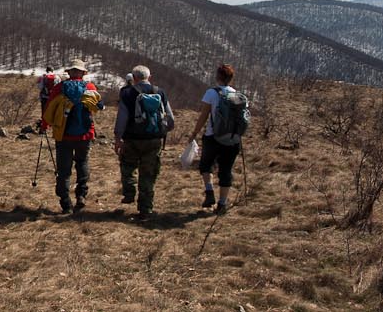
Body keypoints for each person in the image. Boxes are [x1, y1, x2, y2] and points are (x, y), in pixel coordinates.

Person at [114, 65, 175, 221]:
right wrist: (162, 131)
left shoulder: (127, 93)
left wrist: (118, 138)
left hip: (132, 139)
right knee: (148, 174)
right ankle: (145, 210)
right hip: (154, 140)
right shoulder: (160, 92)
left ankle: (129, 192)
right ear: (149, 77)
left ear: (134, 78)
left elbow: (122, 118)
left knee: (128, 166)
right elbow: (170, 119)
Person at [43, 59, 103, 214]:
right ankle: (81, 195)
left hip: (63, 134)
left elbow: (49, 107)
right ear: (83, 73)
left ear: (69, 72)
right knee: (82, 163)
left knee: (64, 170)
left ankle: (65, 202)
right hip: (85, 134)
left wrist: (44, 125)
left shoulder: (59, 88)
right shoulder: (90, 87)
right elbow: (98, 107)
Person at [189, 63, 247, 214]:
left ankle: (209, 192)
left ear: (218, 77)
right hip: (232, 139)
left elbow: (204, 115)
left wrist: (195, 133)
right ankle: (222, 204)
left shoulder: (211, 93)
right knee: (226, 171)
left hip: (212, 137)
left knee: (206, 165)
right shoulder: (237, 95)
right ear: (231, 78)